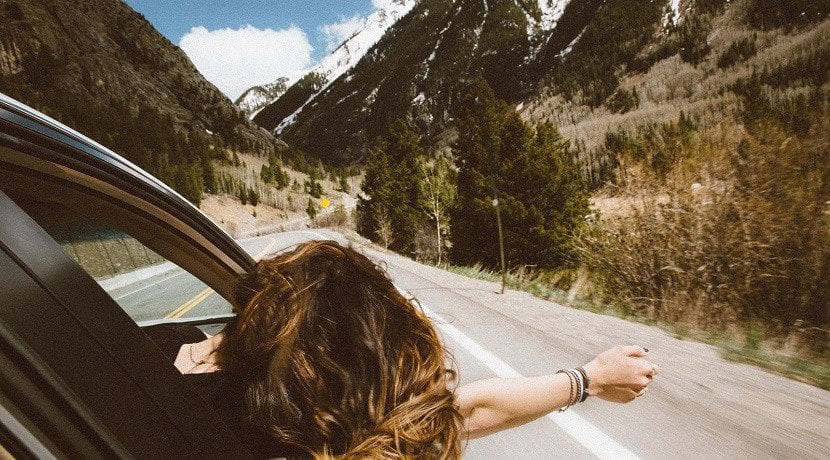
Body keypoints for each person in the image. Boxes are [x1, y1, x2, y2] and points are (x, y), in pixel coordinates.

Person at [146, 240, 658, 458]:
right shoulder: (320, 434)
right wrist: (587, 379)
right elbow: (461, 410)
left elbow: (460, 409)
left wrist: (588, 378)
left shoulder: (147, 365)